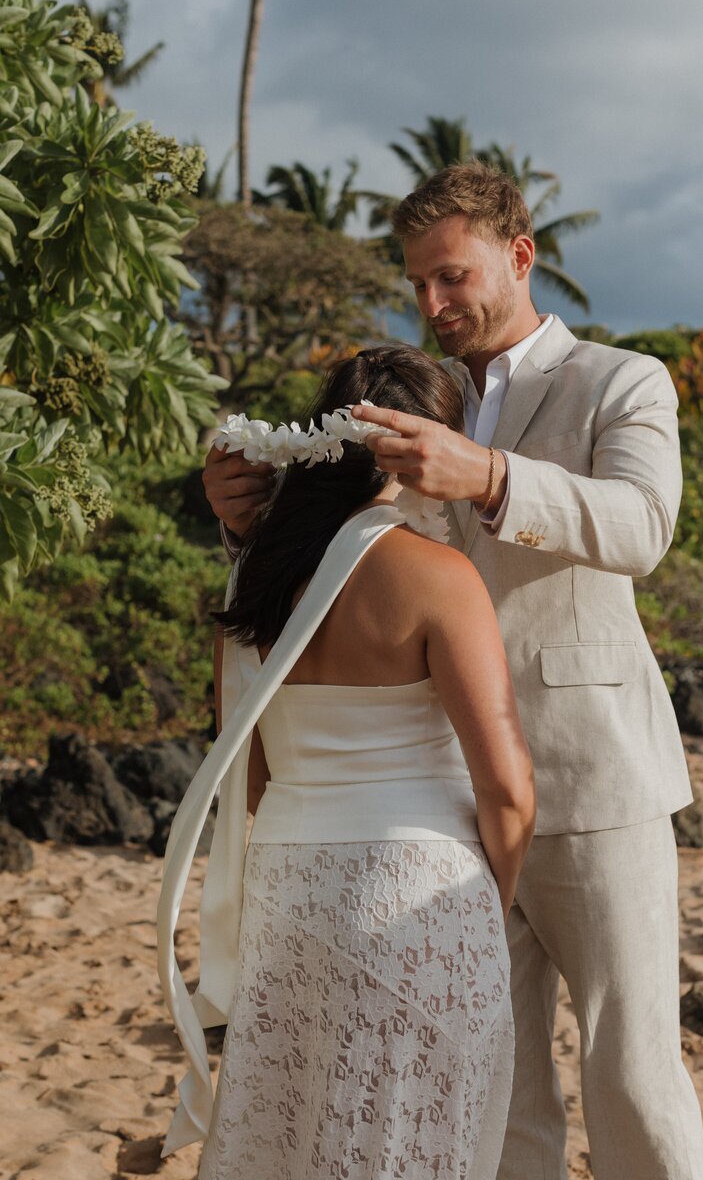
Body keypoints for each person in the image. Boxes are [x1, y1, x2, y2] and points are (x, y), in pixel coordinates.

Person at [203, 163, 703, 1180]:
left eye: (450, 277)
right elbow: (341, 568)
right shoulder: (390, 395)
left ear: (519, 257)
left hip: (589, 783)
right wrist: (239, 520)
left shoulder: (618, 381)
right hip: (435, 818)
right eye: (418, 284)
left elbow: (643, 527)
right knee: (496, 1084)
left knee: (631, 1071)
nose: (431, 304)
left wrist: (487, 475)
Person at [159, 345, 535, 1180]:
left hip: (291, 890)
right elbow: (506, 786)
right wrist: (488, 899)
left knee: (302, 1133)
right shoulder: (440, 578)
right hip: (420, 885)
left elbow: (249, 781)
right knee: (405, 1136)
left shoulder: (256, 581)